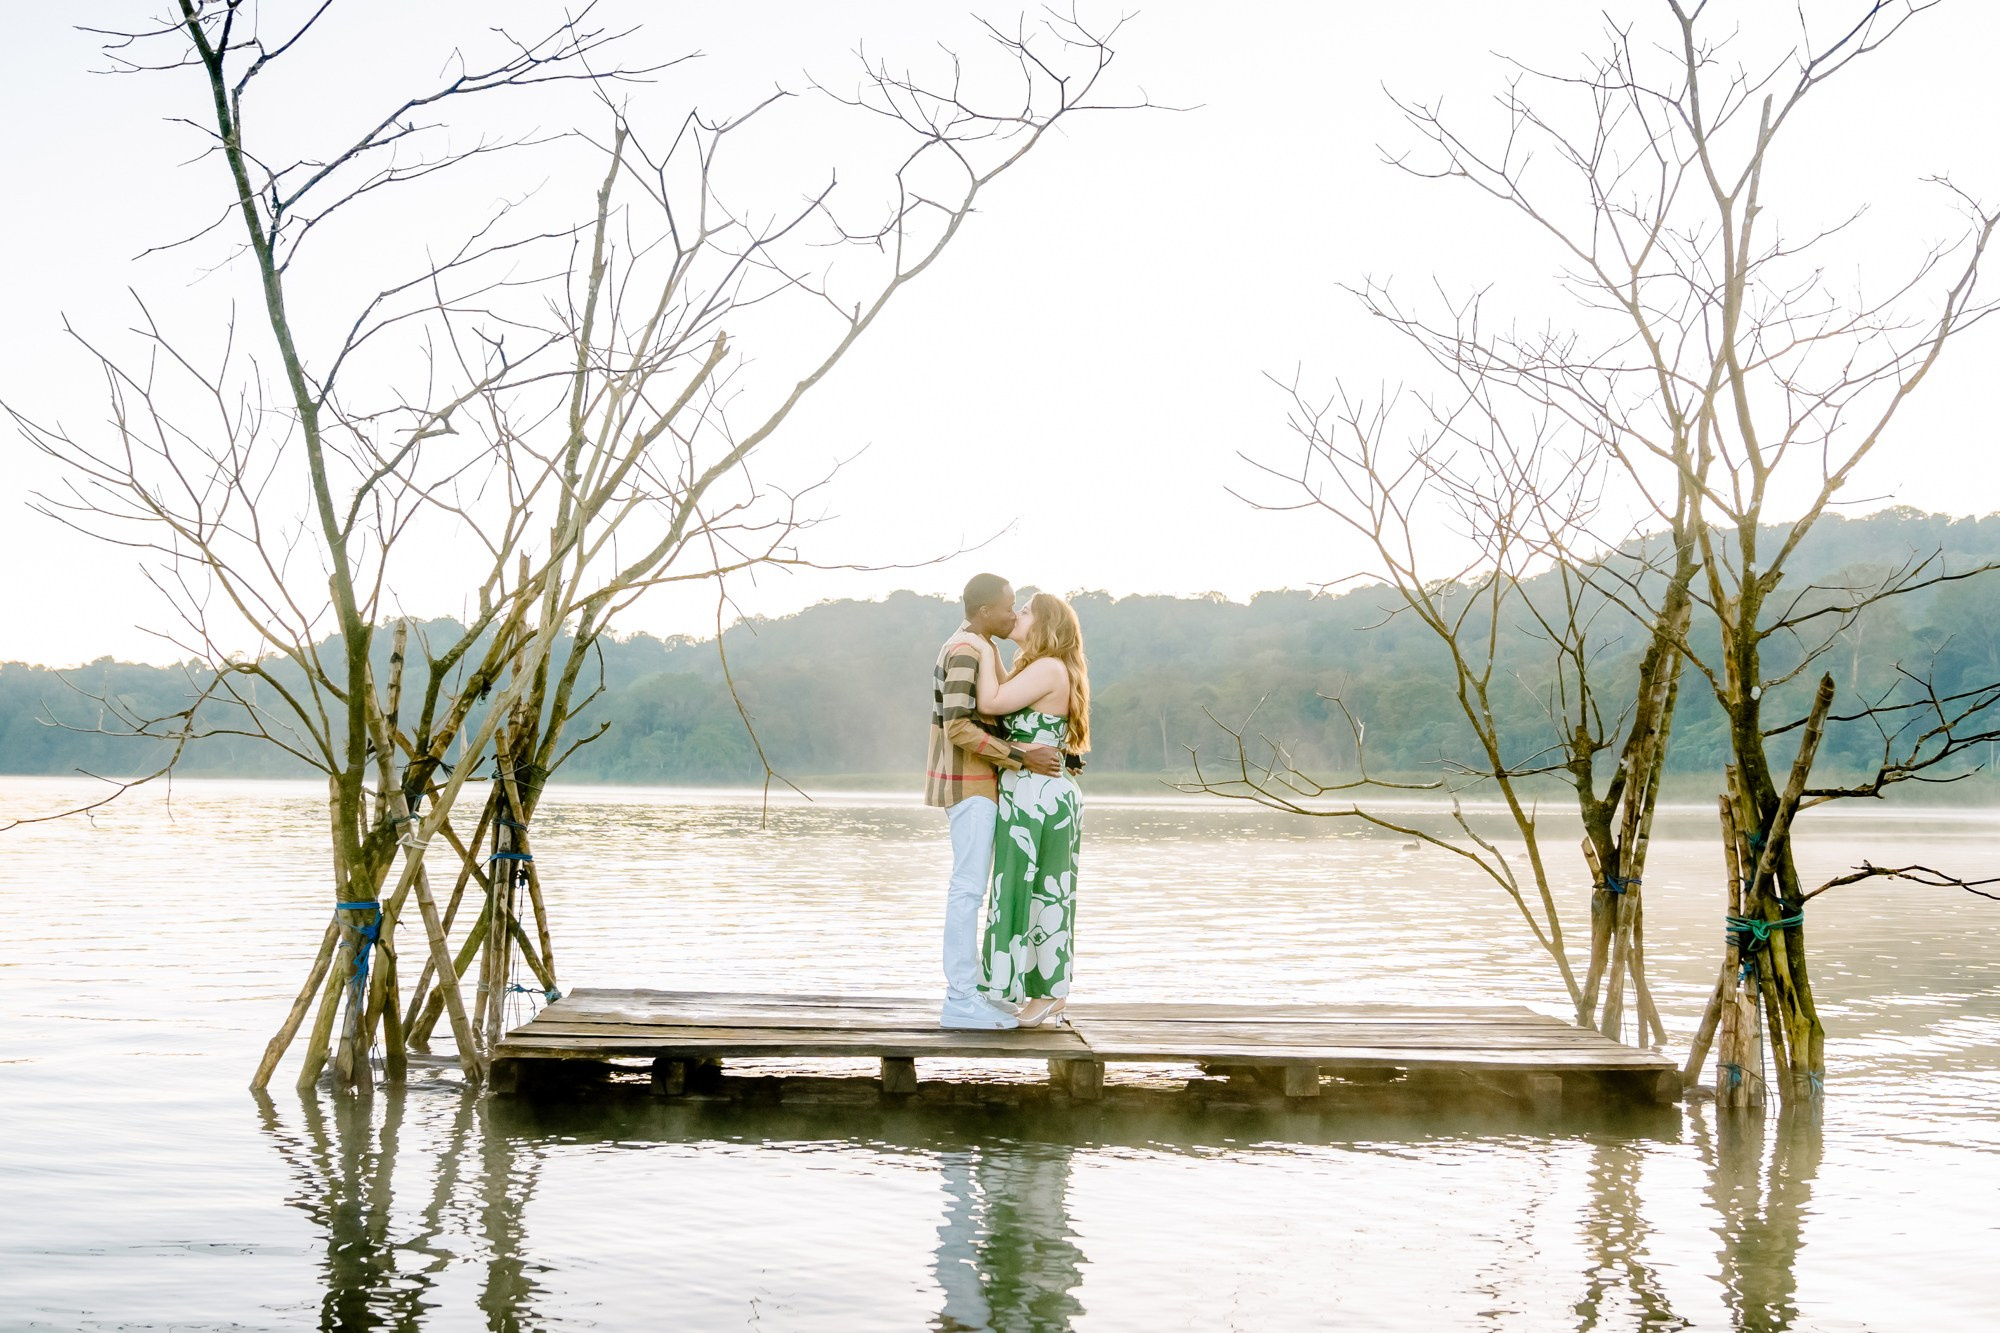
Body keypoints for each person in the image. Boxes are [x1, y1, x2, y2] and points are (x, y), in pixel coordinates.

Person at [927, 574, 1065, 1030]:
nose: (1013, 614)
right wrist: (1023, 757)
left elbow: (997, 716)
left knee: (971, 889)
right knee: (967, 890)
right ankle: (960, 999)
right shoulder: (968, 650)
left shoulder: (982, 647)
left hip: (985, 783)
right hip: (970, 784)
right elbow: (959, 726)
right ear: (985, 611)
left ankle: (972, 997)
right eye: (1009, 606)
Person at [972, 591, 1089, 1029]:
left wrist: (983, 646)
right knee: (1038, 891)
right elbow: (1003, 692)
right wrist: (995, 652)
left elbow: (990, 703)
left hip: (1038, 795)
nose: (1016, 615)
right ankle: (1044, 993)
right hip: (1042, 792)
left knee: (1033, 892)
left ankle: (1042, 993)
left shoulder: (1047, 668)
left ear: (1044, 624)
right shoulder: (1040, 667)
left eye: (1024, 611)